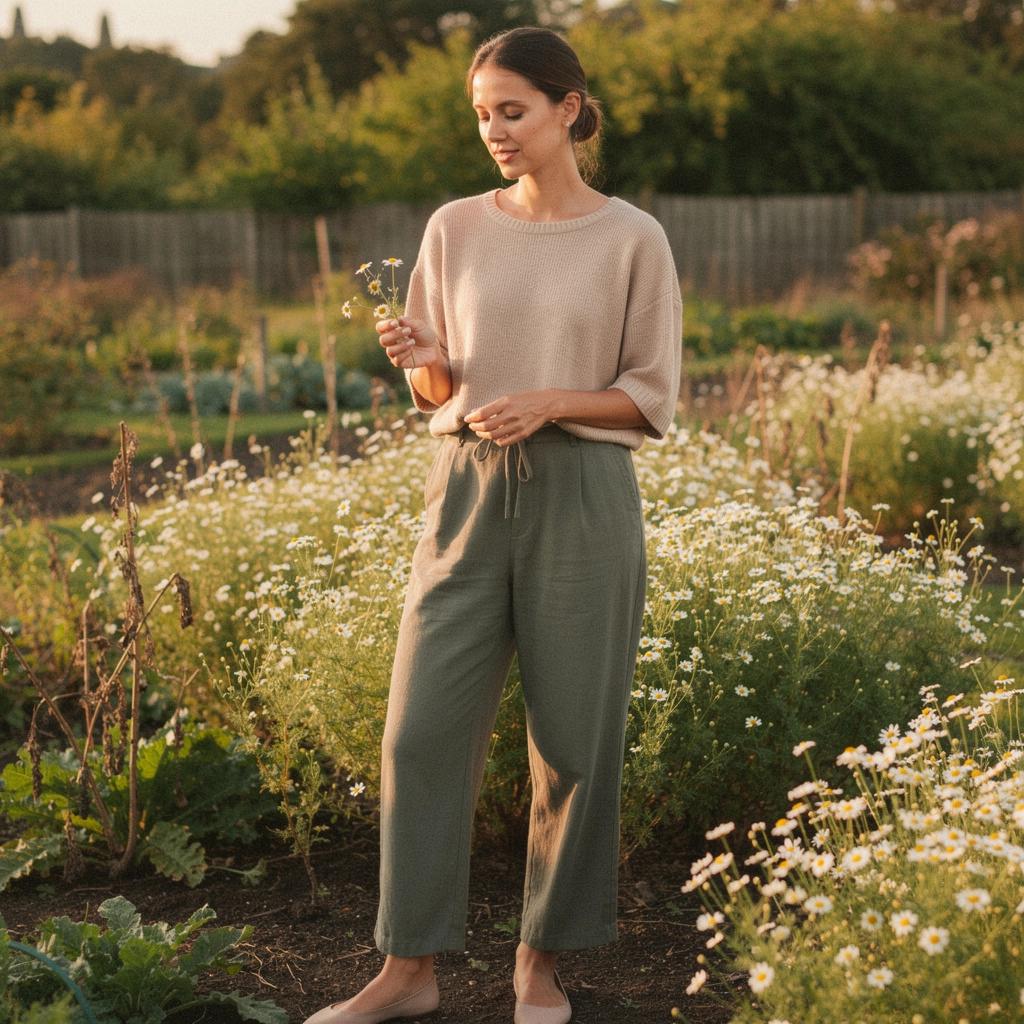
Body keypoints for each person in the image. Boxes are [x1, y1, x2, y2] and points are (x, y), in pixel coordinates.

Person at [303, 24, 682, 1024]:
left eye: (511, 111)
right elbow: (438, 384)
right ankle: (407, 971)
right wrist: (416, 355)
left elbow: (651, 394)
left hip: (582, 494)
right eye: (481, 115)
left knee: (572, 741)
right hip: (463, 487)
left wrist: (552, 400)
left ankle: (539, 966)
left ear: (568, 108)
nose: (495, 132)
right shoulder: (454, 229)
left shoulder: (631, 236)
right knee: (418, 732)